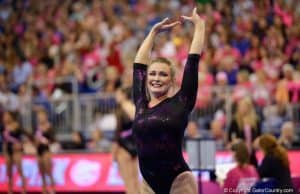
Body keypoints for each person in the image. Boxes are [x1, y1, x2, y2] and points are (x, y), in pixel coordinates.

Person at [132, 7, 205, 194]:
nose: (156, 78)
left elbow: (193, 61)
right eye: (153, 73)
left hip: (178, 181)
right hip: (148, 184)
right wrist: (153, 32)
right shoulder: (141, 103)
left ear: (172, 80)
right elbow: (139, 65)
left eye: (163, 74)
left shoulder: (181, 102)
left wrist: (199, 26)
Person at [111, 87, 139, 194]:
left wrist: (114, 152)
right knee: (135, 180)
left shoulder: (120, 110)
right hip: (135, 146)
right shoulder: (134, 108)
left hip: (124, 148)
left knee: (128, 182)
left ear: (123, 95)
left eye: (117, 94)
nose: (116, 97)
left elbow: (117, 134)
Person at [227, 97, 261, 167]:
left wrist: (257, 141)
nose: (243, 108)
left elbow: (259, 134)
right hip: (240, 151)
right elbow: (230, 136)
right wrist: (234, 142)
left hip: (252, 150)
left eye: (245, 106)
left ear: (249, 108)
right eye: (241, 106)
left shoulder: (256, 120)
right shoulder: (235, 120)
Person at [1, 111, 27, 194]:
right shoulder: (3, 127)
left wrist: (21, 145)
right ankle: (10, 189)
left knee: (19, 169)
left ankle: (24, 189)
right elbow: (4, 139)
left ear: (11, 117)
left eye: (7, 116)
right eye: (4, 116)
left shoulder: (16, 126)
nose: (6, 118)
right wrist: (4, 148)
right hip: (8, 150)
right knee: (9, 171)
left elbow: (24, 137)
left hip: (16, 150)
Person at [34, 109, 55, 194]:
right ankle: (44, 189)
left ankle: (53, 189)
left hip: (46, 150)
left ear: (46, 117)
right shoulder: (37, 127)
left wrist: (47, 141)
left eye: (42, 116)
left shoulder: (49, 126)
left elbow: (52, 139)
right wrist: (36, 141)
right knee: (41, 171)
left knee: (48, 171)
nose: (40, 118)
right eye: (39, 116)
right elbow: (35, 139)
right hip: (39, 150)